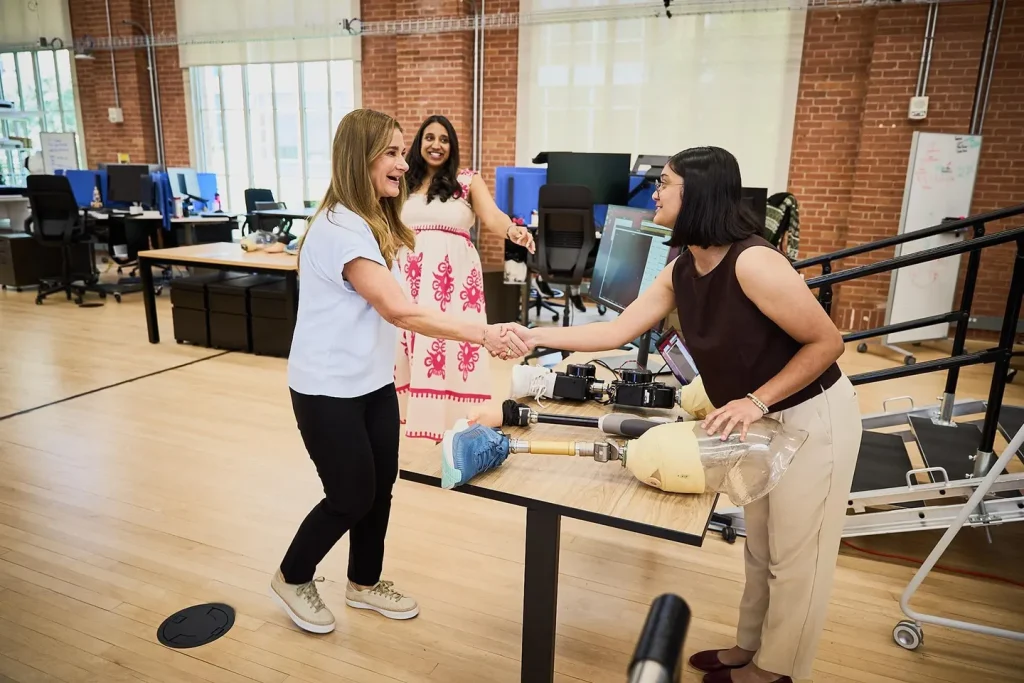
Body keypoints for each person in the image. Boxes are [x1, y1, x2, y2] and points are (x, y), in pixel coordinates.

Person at [503, 147, 861, 683]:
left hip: (813, 416)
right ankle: (749, 648)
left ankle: (776, 671)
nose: (655, 194)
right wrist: (533, 336)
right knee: (760, 546)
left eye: (664, 184)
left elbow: (827, 342)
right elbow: (614, 332)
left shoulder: (754, 262)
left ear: (697, 194)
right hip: (758, 419)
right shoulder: (683, 266)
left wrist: (756, 400)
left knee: (798, 558)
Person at [271, 108, 528, 635]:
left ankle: (364, 584)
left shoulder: (373, 220)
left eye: (398, 150)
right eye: (389, 153)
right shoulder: (342, 229)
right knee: (350, 494)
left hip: (371, 382)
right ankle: (292, 575)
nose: (401, 161)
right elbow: (401, 310)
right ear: (358, 160)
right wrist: (483, 333)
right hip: (327, 388)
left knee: (380, 485)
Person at [393, 114, 535, 443]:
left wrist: (513, 231)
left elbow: (494, 217)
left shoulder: (467, 181)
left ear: (452, 146)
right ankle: (414, 419)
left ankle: (458, 424)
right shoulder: (403, 182)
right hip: (409, 278)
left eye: (444, 139)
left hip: (452, 284)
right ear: (418, 142)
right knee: (413, 345)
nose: (436, 145)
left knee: (453, 345)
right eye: (430, 137)